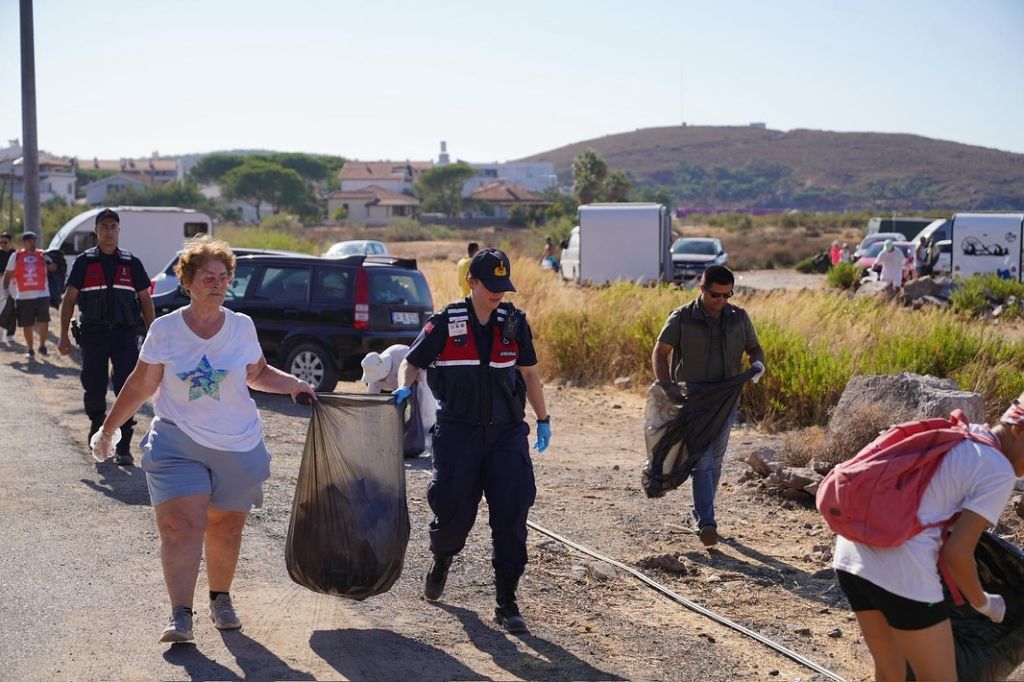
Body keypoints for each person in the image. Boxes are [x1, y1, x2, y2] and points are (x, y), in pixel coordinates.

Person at [90, 235, 316, 644]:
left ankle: (220, 597)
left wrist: (294, 383)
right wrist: (108, 429)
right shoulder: (166, 329)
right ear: (188, 282)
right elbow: (141, 385)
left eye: (223, 275)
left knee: (226, 526)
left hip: (237, 442)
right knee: (180, 524)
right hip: (178, 442)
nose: (216, 282)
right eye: (207, 276)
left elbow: (257, 373)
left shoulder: (242, 326)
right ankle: (181, 614)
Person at [393, 247, 551, 633]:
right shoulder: (446, 322)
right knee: (452, 512)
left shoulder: (514, 322)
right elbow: (411, 363)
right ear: (472, 282)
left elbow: (529, 374)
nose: (499, 293)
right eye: (491, 285)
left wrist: (543, 418)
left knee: (512, 516)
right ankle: (442, 558)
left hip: (506, 435)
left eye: (504, 286)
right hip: (459, 434)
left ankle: (506, 603)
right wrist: (402, 390)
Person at [832, 395, 1024, 681]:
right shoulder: (998, 471)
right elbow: (957, 555)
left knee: (890, 675)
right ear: (1017, 429)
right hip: (901, 571)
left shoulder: (964, 436)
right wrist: (984, 602)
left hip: (851, 555)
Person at [651, 265, 764, 547]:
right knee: (700, 459)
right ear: (702, 289)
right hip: (692, 400)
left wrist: (758, 364)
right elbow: (660, 353)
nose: (721, 301)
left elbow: (754, 348)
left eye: (727, 295)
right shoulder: (681, 318)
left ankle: (700, 514)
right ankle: (706, 521)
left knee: (714, 461)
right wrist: (667, 387)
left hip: (726, 402)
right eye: (716, 295)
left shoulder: (739, 317)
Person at [58, 208, 155, 465]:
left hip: (124, 335)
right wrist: (62, 336)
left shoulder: (131, 263)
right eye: (105, 226)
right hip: (93, 335)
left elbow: (145, 301)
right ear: (96, 230)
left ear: (119, 230)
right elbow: (69, 301)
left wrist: (153, 334)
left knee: (128, 386)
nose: (109, 231)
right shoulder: (84, 262)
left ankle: (123, 446)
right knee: (94, 384)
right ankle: (97, 429)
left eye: (113, 226)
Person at [3, 230, 56, 360]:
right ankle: (30, 349)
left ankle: (42, 345)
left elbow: (53, 268)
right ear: (24, 243)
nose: (33, 244)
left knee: (44, 320)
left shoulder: (42, 254)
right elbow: (8, 274)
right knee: (27, 323)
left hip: (42, 293)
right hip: (24, 295)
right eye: (30, 241)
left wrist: (47, 260)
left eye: (34, 241)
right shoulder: (16, 256)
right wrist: (5, 290)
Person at [0, 232, 15, 342]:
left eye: (5, 242)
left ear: (10, 242)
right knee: (1, 308)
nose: (3, 244)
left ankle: (10, 333)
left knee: (12, 309)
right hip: (0, 284)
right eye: (1, 242)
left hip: (14, 284)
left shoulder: (15, 254)